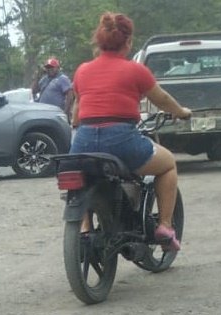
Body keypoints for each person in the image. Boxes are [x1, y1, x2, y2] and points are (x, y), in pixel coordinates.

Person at [69, 12, 191, 251]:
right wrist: (181, 112)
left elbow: (77, 109)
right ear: (128, 42)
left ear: (99, 40)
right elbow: (162, 99)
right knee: (167, 164)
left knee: (79, 180)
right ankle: (165, 226)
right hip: (121, 140)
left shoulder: (82, 71)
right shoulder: (135, 71)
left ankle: (84, 229)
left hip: (83, 140)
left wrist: (78, 125)